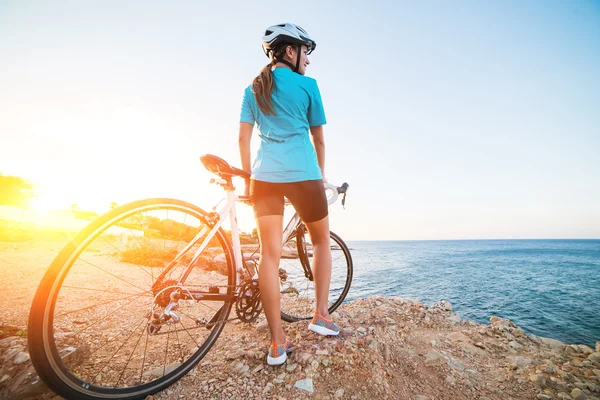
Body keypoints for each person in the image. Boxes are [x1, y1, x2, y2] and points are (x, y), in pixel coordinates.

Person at [239, 23, 340, 366]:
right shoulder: (309, 86)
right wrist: (321, 177)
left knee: (269, 255)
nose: (308, 61)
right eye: (305, 52)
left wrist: (246, 180)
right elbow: (320, 140)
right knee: (322, 242)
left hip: (263, 178)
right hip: (304, 175)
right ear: (290, 51)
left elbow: (243, 139)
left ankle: (277, 343)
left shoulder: (253, 88)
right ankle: (320, 315)